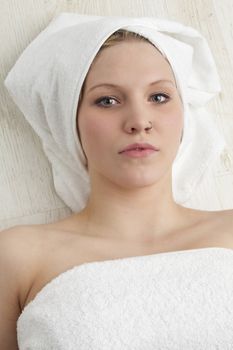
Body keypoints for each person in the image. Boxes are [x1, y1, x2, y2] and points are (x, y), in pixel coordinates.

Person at [1, 27, 233, 350]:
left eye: (159, 97)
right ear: (69, 121)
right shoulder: (17, 257)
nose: (139, 120)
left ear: (184, 116)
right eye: (107, 100)